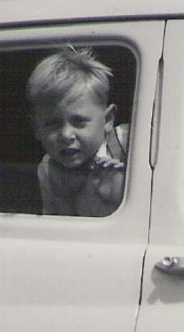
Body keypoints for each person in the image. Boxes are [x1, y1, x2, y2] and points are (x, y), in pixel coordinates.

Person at [26, 45, 128, 217]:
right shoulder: (48, 169)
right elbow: (60, 230)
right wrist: (63, 196)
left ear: (108, 119)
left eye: (79, 121)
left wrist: (121, 192)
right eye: (52, 124)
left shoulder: (129, 143)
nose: (66, 135)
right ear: (36, 128)